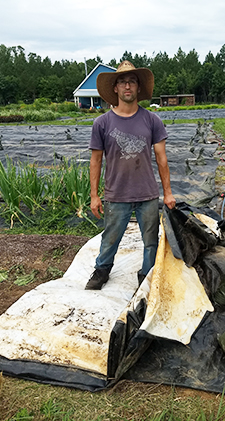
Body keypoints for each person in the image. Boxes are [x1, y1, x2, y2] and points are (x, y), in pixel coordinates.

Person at [85, 60, 176, 290]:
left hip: (146, 193)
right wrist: (94, 195)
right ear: (115, 88)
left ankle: (146, 274)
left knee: (150, 240)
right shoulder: (102, 123)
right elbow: (95, 161)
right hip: (116, 193)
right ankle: (102, 270)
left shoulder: (152, 120)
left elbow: (162, 159)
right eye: (123, 82)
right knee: (110, 238)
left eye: (132, 82)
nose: (127, 86)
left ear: (138, 87)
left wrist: (168, 193)